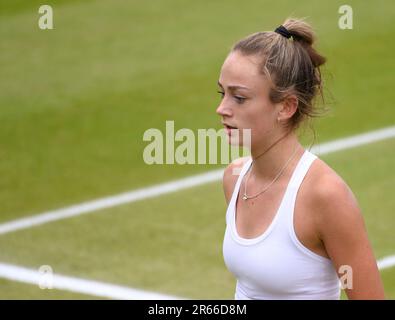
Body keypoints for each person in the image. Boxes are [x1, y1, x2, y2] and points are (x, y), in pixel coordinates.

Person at [218, 18, 385, 300]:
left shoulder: (326, 196)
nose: (222, 108)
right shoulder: (234, 179)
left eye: (240, 98)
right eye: (223, 93)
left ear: (285, 107)